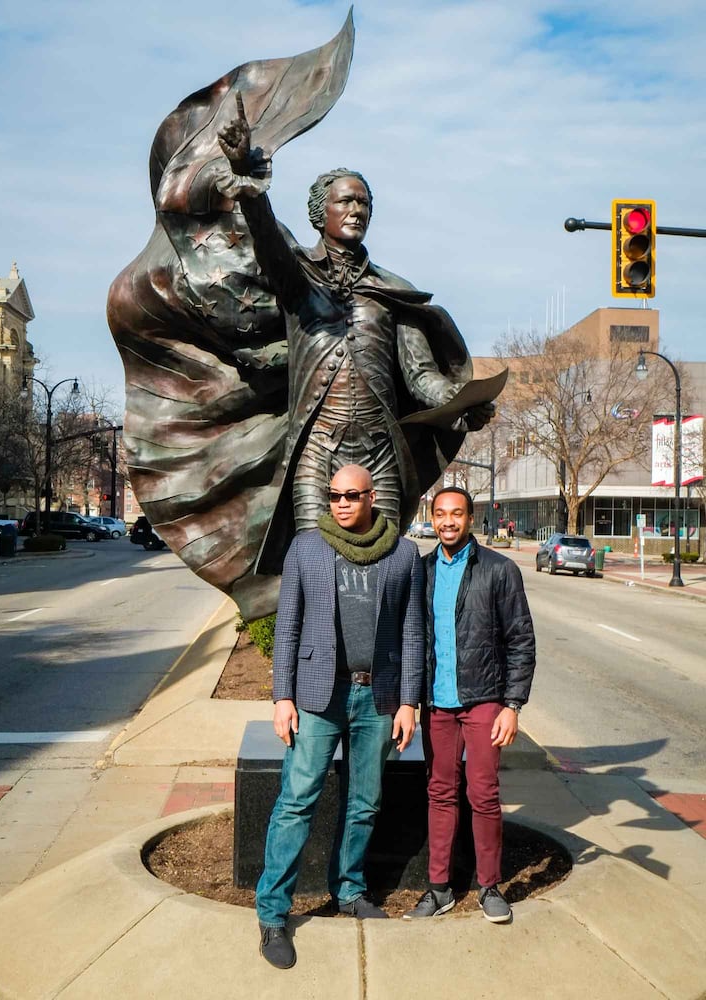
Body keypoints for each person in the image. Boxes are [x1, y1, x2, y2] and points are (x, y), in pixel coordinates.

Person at [218, 97, 495, 573]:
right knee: (312, 564)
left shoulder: (391, 294)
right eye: (345, 200)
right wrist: (247, 179)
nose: (357, 209)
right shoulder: (299, 280)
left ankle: (380, 651)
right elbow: (266, 241)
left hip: (380, 451)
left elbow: (421, 377)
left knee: (382, 567)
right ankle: (314, 650)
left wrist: (462, 401)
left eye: (364, 202)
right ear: (319, 212)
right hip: (316, 448)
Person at [256, 463, 424, 969]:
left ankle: (350, 889)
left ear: (373, 497)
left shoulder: (404, 553)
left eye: (352, 495)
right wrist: (281, 697)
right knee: (297, 799)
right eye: (333, 495)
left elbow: (413, 633)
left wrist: (410, 702)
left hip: (378, 698)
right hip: (316, 695)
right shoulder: (307, 547)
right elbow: (286, 627)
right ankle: (272, 913)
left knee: (366, 800)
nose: (342, 503)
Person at [403, 486, 535, 924]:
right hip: (437, 705)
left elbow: (520, 640)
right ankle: (438, 888)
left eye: (456, 514)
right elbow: (411, 640)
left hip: (483, 702)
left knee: (483, 795)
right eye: (440, 514)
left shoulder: (499, 570)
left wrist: (512, 704)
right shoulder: (421, 571)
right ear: (432, 517)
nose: (447, 522)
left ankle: (489, 886)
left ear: (470, 518)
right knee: (440, 794)